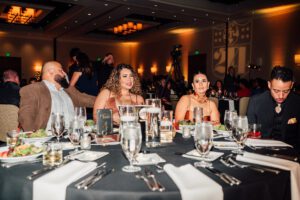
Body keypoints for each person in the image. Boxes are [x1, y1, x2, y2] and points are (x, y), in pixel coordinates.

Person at [19, 61, 95, 131]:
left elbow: (89, 100)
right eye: (61, 70)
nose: (64, 74)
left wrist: (105, 97)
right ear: (51, 72)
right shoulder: (33, 89)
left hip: (74, 137)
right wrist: (35, 139)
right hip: (49, 140)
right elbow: (26, 118)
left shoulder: (68, 90)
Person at [247, 66, 300, 152]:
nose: (281, 96)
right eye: (276, 91)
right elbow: (250, 133)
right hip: (261, 152)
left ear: (292, 85)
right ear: (269, 85)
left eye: (286, 91)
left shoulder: (297, 102)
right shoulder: (256, 102)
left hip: (290, 154)